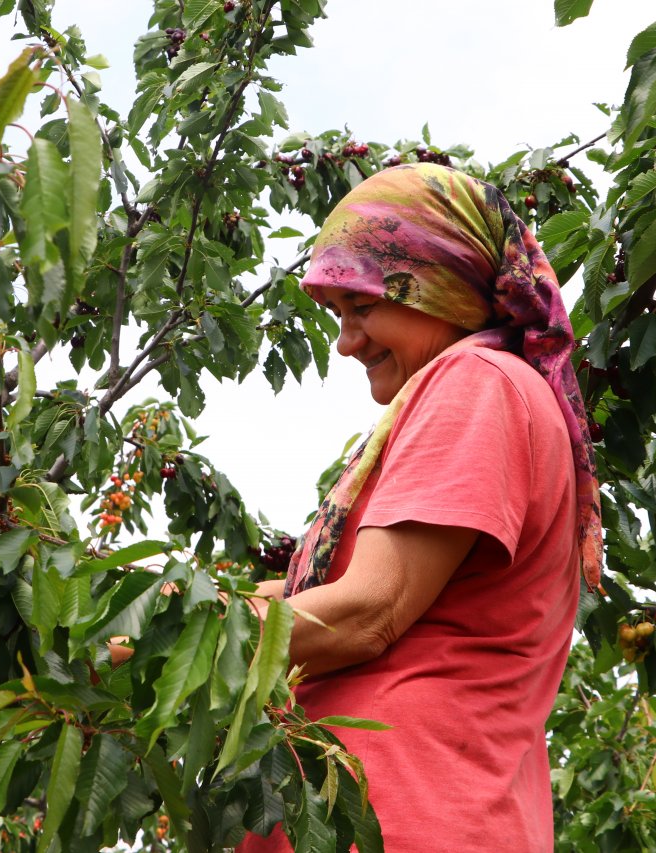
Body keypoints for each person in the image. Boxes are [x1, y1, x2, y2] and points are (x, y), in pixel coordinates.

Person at [237, 163, 603, 852]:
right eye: (339, 318)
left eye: (363, 308)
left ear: (436, 284)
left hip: (408, 818)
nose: (347, 342)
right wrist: (170, 605)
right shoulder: (475, 393)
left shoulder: (477, 384)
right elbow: (326, 601)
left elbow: (367, 612)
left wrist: (173, 634)